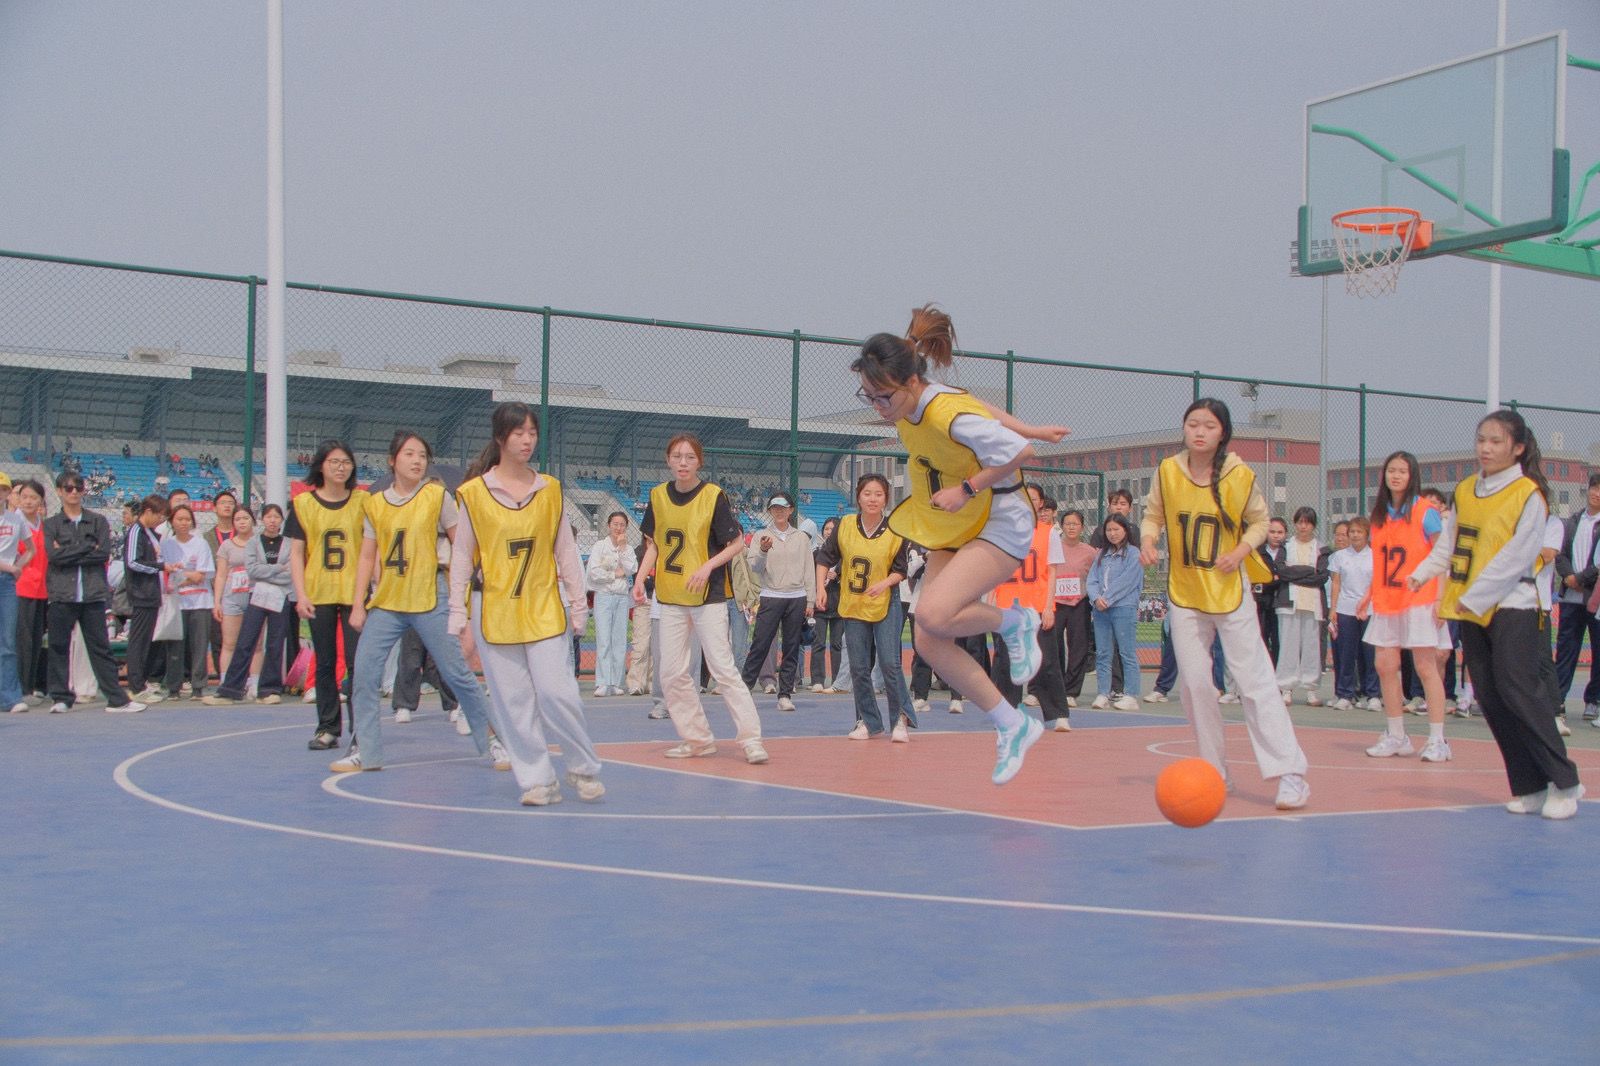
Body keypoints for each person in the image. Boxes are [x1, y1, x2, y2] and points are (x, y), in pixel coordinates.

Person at [852, 305, 1068, 784]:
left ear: (910, 383)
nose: (878, 406)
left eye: (883, 396)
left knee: (932, 612)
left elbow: (1020, 453)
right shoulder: (916, 403)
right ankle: (1012, 723)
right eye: (869, 396)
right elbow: (980, 408)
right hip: (955, 520)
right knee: (928, 637)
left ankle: (1017, 620)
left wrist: (970, 486)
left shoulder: (944, 412)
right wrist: (1030, 425)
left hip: (999, 518)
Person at [1138, 399, 1309, 809]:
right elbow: (1153, 515)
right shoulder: (1167, 470)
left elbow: (1260, 522)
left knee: (1254, 682)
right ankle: (1215, 770)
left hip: (1230, 592)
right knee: (1195, 685)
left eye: (1209, 426)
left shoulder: (1239, 474)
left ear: (1223, 433)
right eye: (1193, 424)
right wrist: (1148, 539)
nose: (1199, 431)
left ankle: (1290, 773)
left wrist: (1241, 551)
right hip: (1185, 593)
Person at [1412, 409, 1583, 819]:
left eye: (1495, 441)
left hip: (1513, 606)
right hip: (1471, 610)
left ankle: (1566, 782)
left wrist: (1477, 596)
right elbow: (1451, 543)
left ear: (1517, 448)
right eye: (1481, 440)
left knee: (1520, 692)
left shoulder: (1528, 495)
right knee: (1490, 697)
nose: (1485, 448)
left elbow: (1517, 557)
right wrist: (1423, 572)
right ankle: (1529, 785)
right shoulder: (1466, 489)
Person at [450, 404, 604, 804]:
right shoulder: (474, 494)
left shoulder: (549, 490)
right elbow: (463, 554)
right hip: (495, 611)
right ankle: (538, 780)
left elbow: (565, 550)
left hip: (544, 607)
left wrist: (578, 604)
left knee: (558, 693)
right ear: (501, 437)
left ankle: (582, 767)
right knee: (513, 701)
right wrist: (458, 611)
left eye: (532, 432)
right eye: (518, 432)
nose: (527, 440)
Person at [330, 432, 498, 775]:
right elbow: (367, 556)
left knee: (457, 673)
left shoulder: (437, 497)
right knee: (364, 674)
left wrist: (460, 598)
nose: (417, 460)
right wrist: (359, 604)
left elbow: (462, 547)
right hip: (388, 600)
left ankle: (495, 740)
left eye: (422, 455)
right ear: (393, 460)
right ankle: (366, 751)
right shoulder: (375, 503)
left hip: (429, 595)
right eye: (409, 454)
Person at [631, 433, 768, 764]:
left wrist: (707, 566)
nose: (683, 462)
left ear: (699, 462)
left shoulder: (712, 496)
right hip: (670, 596)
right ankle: (697, 739)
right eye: (677, 456)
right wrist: (639, 578)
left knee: (723, 668)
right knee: (671, 673)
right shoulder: (657, 496)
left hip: (709, 597)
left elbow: (735, 544)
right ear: (668, 460)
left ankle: (751, 739)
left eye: (690, 457)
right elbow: (654, 545)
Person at [1357, 452, 1452, 762]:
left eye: (1402, 471)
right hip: (1387, 599)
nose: (1395, 476)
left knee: (1425, 666)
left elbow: (1442, 557)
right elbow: (1381, 561)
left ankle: (1437, 739)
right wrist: (1369, 594)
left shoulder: (1425, 512)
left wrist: (1440, 598)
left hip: (1420, 599)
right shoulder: (1378, 516)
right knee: (1385, 665)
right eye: (1391, 471)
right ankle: (1397, 735)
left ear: (1412, 476)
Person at [815, 474, 914, 741]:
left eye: (878, 494)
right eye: (867, 493)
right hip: (853, 602)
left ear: (886, 499)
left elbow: (901, 569)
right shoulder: (845, 525)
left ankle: (900, 718)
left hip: (886, 601)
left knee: (890, 663)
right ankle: (868, 721)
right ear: (858, 497)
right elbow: (825, 558)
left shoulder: (895, 530)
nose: (872, 499)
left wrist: (884, 584)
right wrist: (820, 587)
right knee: (858, 667)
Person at [287, 439, 368, 751]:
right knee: (324, 662)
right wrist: (301, 595)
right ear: (321, 465)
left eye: (345, 461)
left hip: (354, 593)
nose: (340, 467)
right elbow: (297, 554)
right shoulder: (304, 504)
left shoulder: (363, 501)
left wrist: (366, 595)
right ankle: (328, 728)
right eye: (334, 461)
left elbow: (371, 548)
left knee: (357, 662)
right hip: (319, 591)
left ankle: (362, 730)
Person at [42, 472, 145, 714]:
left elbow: (102, 554)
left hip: (92, 594)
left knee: (100, 647)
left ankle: (117, 699)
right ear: (59, 491)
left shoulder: (98, 521)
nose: (74, 492)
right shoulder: (51, 524)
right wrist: (87, 547)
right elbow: (54, 556)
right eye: (68, 488)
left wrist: (68, 551)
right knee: (58, 646)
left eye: (78, 487)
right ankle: (61, 697)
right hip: (62, 594)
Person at [992, 484, 1070, 728]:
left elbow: (1052, 571)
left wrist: (1049, 606)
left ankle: (1058, 714)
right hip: (1007, 605)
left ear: (1040, 503)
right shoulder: (1002, 530)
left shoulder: (1048, 533)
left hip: (1036, 605)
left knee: (1047, 662)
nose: (1027, 501)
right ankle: (1007, 713)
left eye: (1033, 498)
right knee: (1006, 663)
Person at [205, 504, 294, 706]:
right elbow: (252, 571)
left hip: (280, 595)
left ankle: (269, 689)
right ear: (262, 520)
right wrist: (278, 568)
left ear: (282, 520)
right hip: (257, 594)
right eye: (269, 517)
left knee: (275, 643)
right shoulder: (254, 542)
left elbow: (290, 573)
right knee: (246, 641)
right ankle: (230, 689)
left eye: (276, 517)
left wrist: (269, 571)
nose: (272, 520)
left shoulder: (289, 544)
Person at [740, 493, 815, 713]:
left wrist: (810, 600)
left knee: (791, 647)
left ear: (791, 510)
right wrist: (764, 550)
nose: (779, 511)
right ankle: (744, 689)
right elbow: (754, 566)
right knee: (760, 644)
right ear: (770, 511)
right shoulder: (761, 536)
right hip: (771, 595)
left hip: (796, 597)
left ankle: (785, 695)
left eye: (783, 507)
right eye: (775, 508)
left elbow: (808, 569)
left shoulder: (801, 538)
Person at [1553, 473, 1600, 725]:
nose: (1597, 494)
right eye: (1594, 488)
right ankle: (1557, 700)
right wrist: (1569, 577)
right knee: (1566, 650)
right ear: (1588, 489)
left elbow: (1598, 563)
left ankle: (1593, 700)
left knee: (1598, 651)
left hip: (1595, 599)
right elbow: (1560, 554)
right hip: (1570, 598)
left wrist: (1581, 579)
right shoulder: (1572, 521)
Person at [1273, 506, 1329, 706]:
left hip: (1313, 604)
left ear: (1313, 525)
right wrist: (1307, 571)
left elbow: (1321, 576)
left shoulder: (1321, 548)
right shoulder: (1286, 546)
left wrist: (1295, 573)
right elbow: (1281, 572)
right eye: (1300, 522)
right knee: (1288, 646)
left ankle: (1311, 690)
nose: (1303, 526)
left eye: (1308, 522)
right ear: (1295, 524)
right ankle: (1286, 688)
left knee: (1311, 647)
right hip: (1288, 602)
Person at [1087, 513, 1143, 711]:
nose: (1112, 533)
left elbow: (1128, 581)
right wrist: (1096, 598)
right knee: (1103, 653)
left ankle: (1131, 695)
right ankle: (1103, 693)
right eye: (1109, 530)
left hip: (1123, 608)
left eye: (1116, 529)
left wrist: (1107, 598)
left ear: (1125, 530)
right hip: (1101, 610)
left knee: (1126, 652)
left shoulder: (1134, 554)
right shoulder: (1102, 554)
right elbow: (1092, 579)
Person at [1326, 516, 1380, 711]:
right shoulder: (1340, 557)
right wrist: (1333, 609)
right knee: (1346, 653)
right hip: (1345, 609)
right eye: (1352, 532)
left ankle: (1372, 694)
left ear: (1367, 534)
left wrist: (1367, 602)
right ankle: (1345, 694)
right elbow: (1336, 583)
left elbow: (1376, 583)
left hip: (1369, 610)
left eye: (1359, 532)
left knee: (1370, 653)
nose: (1355, 535)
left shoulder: (1375, 555)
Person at [166, 504, 216, 698]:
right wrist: (187, 575)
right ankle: (174, 687)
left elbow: (200, 576)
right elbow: (166, 573)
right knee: (175, 646)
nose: (184, 523)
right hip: (176, 603)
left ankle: (198, 685)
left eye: (187, 519)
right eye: (180, 519)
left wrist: (180, 575)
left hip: (200, 601)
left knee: (199, 646)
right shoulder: (167, 544)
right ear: (172, 521)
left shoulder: (200, 544)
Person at [585, 510, 637, 697]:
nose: (618, 528)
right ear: (608, 525)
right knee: (604, 639)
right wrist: (614, 574)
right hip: (604, 596)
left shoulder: (628, 549)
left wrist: (622, 549)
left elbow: (631, 568)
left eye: (622, 525)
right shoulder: (600, 546)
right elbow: (594, 572)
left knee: (619, 640)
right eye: (615, 524)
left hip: (621, 597)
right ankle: (602, 682)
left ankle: (615, 682)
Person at [211, 506, 260, 694]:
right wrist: (217, 601)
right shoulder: (227, 546)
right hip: (232, 597)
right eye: (238, 519)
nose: (242, 522)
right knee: (229, 643)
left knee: (257, 643)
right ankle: (227, 681)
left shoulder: (260, 543)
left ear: (253, 520)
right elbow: (221, 575)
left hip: (256, 596)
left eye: (245, 518)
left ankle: (254, 683)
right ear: (233, 523)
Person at [1053, 509, 1097, 710]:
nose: (1071, 527)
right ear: (1062, 526)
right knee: (1053, 646)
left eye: (1075, 524)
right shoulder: (1053, 548)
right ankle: (1055, 687)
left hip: (1079, 603)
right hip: (1055, 603)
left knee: (1078, 647)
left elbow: (1096, 576)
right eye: (1068, 523)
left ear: (1082, 527)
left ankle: (1071, 691)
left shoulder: (1090, 552)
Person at [13, 479, 48, 702]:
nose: (28, 501)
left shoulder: (43, 525)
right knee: (22, 640)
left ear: (41, 501)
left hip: (41, 589)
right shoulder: (14, 522)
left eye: (33, 497)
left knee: (36, 640)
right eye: (24, 496)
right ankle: (20, 688)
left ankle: (29, 685)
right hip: (20, 588)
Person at [809, 517, 844, 693]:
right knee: (818, 643)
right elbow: (809, 578)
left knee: (837, 645)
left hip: (839, 605)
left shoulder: (845, 555)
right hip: (820, 605)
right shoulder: (816, 554)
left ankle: (838, 680)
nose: (829, 532)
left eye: (833, 529)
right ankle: (817, 680)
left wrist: (838, 576)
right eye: (827, 529)